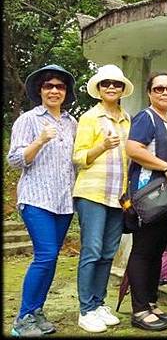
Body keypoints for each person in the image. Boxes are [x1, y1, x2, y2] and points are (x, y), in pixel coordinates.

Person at [8, 64, 78, 336]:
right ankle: (22, 318)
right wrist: (39, 141)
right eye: (49, 85)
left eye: (59, 86)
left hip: (64, 201)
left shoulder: (71, 123)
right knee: (45, 255)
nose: (54, 90)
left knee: (51, 259)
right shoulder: (28, 120)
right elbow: (14, 160)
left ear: (65, 92)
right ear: (40, 90)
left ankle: (36, 311)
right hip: (36, 198)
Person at [72, 64, 134, 333]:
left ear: (122, 89)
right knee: (92, 251)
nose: (111, 87)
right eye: (106, 83)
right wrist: (101, 146)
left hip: (117, 196)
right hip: (92, 193)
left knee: (108, 252)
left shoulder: (126, 118)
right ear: (98, 88)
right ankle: (85, 310)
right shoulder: (89, 118)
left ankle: (98, 304)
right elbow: (78, 157)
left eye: (116, 84)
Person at [124, 71, 167, 331]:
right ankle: (138, 310)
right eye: (159, 89)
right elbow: (133, 148)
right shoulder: (146, 118)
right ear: (149, 92)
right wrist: (166, 166)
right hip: (148, 194)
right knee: (143, 251)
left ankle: (150, 303)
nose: (165, 93)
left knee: (157, 251)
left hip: (165, 197)